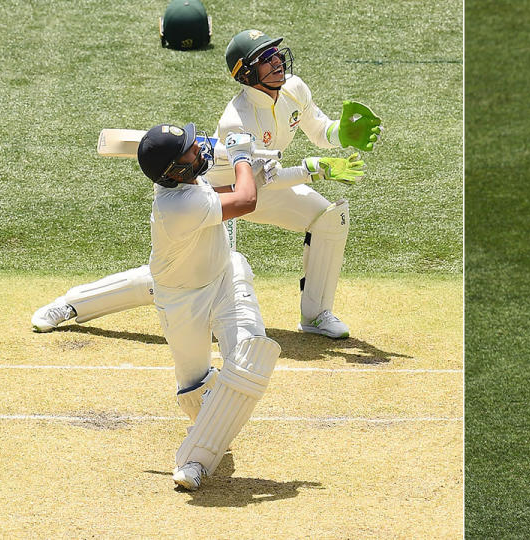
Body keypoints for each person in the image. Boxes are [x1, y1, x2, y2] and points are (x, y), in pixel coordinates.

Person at [31, 29, 382, 339]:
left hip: (259, 188)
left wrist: (341, 133)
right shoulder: (237, 120)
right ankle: (73, 304)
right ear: (246, 73)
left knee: (328, 217)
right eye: (266, 59)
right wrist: (312, 169)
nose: (277, 62)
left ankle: (316, 315)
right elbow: (256, 184)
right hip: (214, 198)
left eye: (276, 53)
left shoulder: (294, 89)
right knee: (181, 279)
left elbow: (318, 131)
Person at [136, 121, 278, 490]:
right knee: (195, 391)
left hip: (223, 280)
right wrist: (244, 158)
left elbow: (226, 193)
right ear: (176, 170)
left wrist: (281, 174)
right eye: (190, 149)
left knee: (250, 358)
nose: (199, 147)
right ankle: (210, 431)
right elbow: (244, 200)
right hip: (182, 301)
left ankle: (193, 459)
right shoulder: (178, 205)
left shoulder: (183, 184)